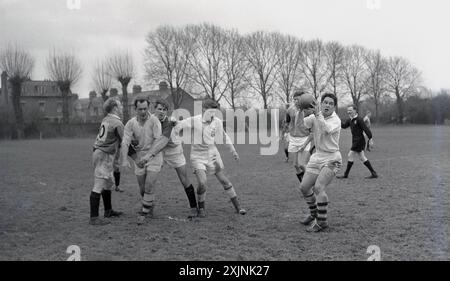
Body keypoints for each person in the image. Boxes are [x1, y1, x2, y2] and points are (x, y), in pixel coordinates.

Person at [172, 99, 246, 218]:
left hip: (213, 155)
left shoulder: (217, 122)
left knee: (224, 181)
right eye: (209, 111)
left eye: (214, 111)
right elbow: (180, 124)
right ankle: (201, 207)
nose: (212, 114)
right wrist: (174, 122)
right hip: (197, 156)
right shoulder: (195, 120)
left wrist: (233, 151)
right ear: (203, 109)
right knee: (202, 182)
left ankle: (238, 207)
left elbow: (223, 136)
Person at [138, 99, 199, 219]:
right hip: (159, 151)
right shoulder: (151, 120)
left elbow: (162, 141)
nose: (161, 111)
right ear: (154, 109)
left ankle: (193, 208)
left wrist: (148, 156)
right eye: (159, 109)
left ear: (167, 111)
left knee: (184, 179)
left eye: (164, 109)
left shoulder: (169, 122)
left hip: (174, 152)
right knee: (147, 180)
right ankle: (148, 209)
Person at [299, 93, 342, 232]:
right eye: (325, 102)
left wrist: (317, 114)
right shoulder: (314, 116)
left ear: (334, 107)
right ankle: (313, 214)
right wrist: (300, 109)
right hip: (317, 157)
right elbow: (302, 126)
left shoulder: (336, 120)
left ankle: (322, 222)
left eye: (330, 103)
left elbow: (326, 129)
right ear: (320, 103)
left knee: (318, 188)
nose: (327, 105)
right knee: (304, 187)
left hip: (332, 158)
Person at [121, 97, 163, 224]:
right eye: (140, 109)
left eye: (145, 108)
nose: (143, 112)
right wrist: (124, 160)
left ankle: (145, 212)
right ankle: (149, 205)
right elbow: (125, 142)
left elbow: (158, 141)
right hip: (139, 158)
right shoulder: (130, 123)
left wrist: (148, 156)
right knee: (142, 189)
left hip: (154, 156)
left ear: (148, 108)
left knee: (149, 184)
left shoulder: (155, 121)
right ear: (135, 109)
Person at [89, 97, 124, 225]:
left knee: (108, 183)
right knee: (98, 185)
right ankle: (94, 218)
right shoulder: (117, 123)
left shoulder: (106, 119)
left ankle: (108, 211)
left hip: (99, 152)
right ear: (114, 108)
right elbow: (125, 141)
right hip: (104, 155)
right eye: (120, 106)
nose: (121, 107)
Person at [337, 105, 378, 179]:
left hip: (359, 141)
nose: (348, 112)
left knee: (350, 155)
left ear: (355, 110)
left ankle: (346, 174)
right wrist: (337, 120)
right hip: (355, 140)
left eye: (350, 110)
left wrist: (370, 138)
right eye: (348, 110)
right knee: (362, 157)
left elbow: (366, 129)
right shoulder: (350, 120)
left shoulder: (359, 119)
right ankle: (373, 173)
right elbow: (343, 126)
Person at [285, 91, 314, 184]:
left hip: (305, 139)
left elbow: (312, 133)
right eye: (294, 100)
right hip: (294, 139)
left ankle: (312, 182)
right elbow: (287, 121)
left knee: (302, 164)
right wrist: (287, 131)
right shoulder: (290, 110)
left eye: (298, 99)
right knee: (296, 165)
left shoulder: (308, 111)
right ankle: (304, 185)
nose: (296, 101)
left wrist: (305, 144)